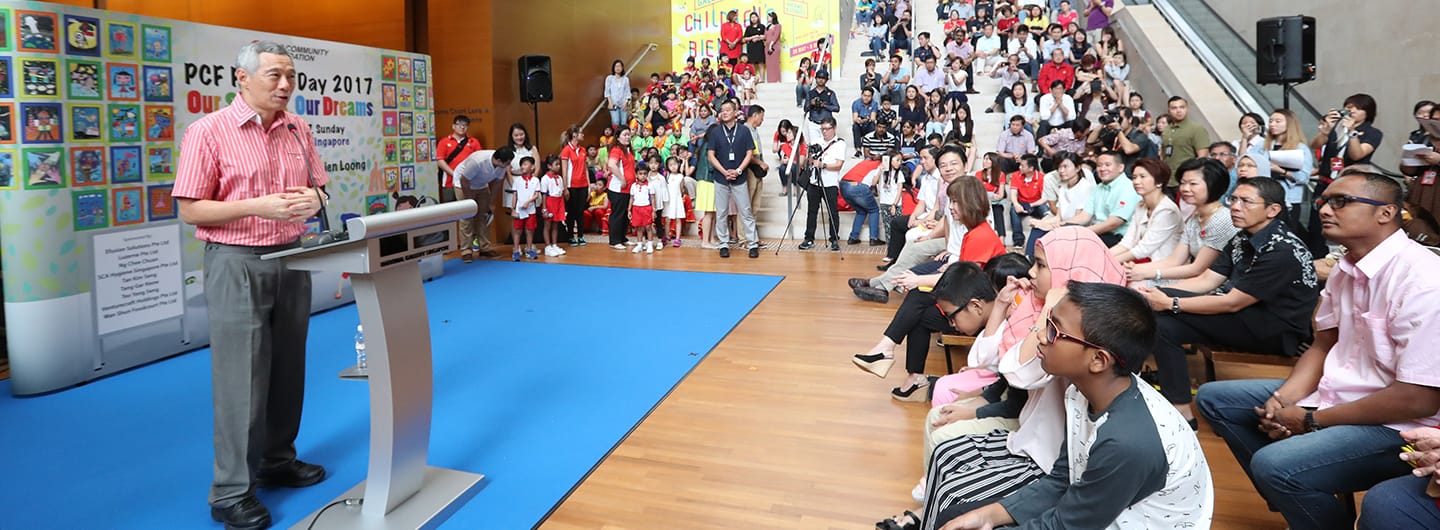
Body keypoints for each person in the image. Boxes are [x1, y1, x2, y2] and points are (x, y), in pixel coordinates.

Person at [1199, 168, 1440, 530]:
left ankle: (1299, 489)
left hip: (1400, 424)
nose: (1325, 209)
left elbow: (1419, 398)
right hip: (1337, 393)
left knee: (1274, 465)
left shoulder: (1422, 278)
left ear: (1386, 213)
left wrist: (1311, 421)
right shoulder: (1345, 267)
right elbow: (1324, 343)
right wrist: (1282, 401)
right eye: (1325, 201)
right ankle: (1304, 498)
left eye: (1341, 202)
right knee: (1215, 399)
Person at [173, 40, 329, 530]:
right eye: (274, 76)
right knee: (242, 376)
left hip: (292, 257)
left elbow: (321, 189)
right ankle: (230, 491)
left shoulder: (298, 128)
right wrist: (255, 206)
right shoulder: (208, 132)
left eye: (290, 77)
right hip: (237, 261)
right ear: (242, 78)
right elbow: (191, 209)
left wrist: (313, 198)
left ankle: (277, 460)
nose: (285, 86)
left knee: (288, 367)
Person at [885, 227, 1128, 530]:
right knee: (946, 454)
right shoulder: (1040, 307)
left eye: (1041, 265)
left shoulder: (1080, 329)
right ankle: (929, 509)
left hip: (1050, 457)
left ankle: (931, 511)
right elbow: (988, 359)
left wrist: (1046, 314)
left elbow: (1017, 373)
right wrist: (1004, 305)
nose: (1031, 272)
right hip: (1033, 435)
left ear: (1068, 271)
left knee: (952, 490)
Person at [940, 281, 1214, 530]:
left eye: (1055, 330)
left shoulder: (1127, 441)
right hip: (1101, 512)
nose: (1042, 337)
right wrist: (989, 515)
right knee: (957, 515)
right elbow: (1063, 479)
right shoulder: (1080, 393)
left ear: (1098, 360)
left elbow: (1069, 525)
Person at [1140, 177, 1319, 424]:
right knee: (1148, 307)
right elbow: (1207, 282)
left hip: (1275, 330)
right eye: (1233, 199)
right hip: (1248, 313)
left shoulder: (1281, 250)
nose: (1235, 206)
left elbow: (1232, 302)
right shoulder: (1242, 237)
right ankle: (1173, 403)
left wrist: (1171, 303)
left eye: (1246, 201)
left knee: (1164, 324)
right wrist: (1157, 294)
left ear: (1273, 210)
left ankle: (1180, 410)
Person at [851, 177, 1007, 393]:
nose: (950, 207)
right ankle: (909, 373)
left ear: (970, 202)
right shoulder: (975, 232)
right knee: (919, 311)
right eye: (950, 201)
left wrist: (921, 280)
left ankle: (889, 351)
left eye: (955, 202)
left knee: (918, 296)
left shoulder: (980, 235)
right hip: (972, 304)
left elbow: (964, 284)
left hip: (976, 312)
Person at [1127, 157, 1239, 288]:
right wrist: (1136, 269)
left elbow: (1197, 268)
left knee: (1138, 287)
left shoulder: (1222, 220)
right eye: (1183, 183)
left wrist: (1149, 273)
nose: (1185, 189)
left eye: (1193, 184)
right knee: (1135, 282)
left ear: (1213, 184)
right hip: (1193, 277)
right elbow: (1174, 260)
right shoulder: (1194, 218)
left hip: (1213, 285)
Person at [707, 99, 761, 259]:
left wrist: (738, 170)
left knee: (746, 211)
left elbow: (749, 153)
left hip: (740, 178)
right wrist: (724, 171)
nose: (724, 112)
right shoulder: (716, 132)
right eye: (722, 110)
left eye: (727, 110)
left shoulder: (744, 131)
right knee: (722, 212)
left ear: (735, 112)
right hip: (721, 177)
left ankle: (752, 243)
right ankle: (723, 244)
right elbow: (711, 155)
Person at [1054, 151, 1138, 246]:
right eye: (1099, 165)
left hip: (1119, 238)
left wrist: (1082, 233)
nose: (1102, 169)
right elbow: (1085, 216)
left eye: (1107, 165)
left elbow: (1113, 223)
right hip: (1099, 233)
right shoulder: (1098, 188)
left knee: (1070, 244)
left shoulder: (1128, 188)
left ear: (1120, 167)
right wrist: (1062, 224)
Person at [1111, 157, 1181, 263]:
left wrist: (1109, 262)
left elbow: (1143, 249)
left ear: (1159, 182)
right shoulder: (1141, 205)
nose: (1136, 182)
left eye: (1142, 177)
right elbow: (1127, 242)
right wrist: (1104, 256)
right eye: (1134, 177)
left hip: (1162, 268)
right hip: (1142, 262)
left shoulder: (1167, 210)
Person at [453, 146, 515, 262]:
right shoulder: (477, 162)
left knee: (484, 215)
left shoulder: (502, 166)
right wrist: (468, 200)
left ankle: (485, 247)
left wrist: (491, 203)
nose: (508, 165)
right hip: (463, 184)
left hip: (481, 185)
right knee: (467, 217)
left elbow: (497, 184)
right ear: (498, 160)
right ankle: (466, 250)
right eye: (507, 163)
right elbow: (464, 180)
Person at [801, 116, 845, 252]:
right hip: (814, 182)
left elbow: (838, 165)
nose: (825, 132)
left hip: (830, 183)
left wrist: (823, 165)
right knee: (812, 211)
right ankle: (809, 238)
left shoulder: (839, 143)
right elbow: (808, 162)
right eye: (822, 129)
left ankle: (834, 240)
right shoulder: (816, 141)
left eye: (827, 129)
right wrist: (810, 156)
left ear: (834, 128)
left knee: (833, 212)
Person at [1160, 96, 1212, 177]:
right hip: (1168, 177)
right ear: (1169, 111)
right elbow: (1163, 155)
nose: (1178, 111)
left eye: (1182, 107)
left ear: (1187, 109)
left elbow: (1202, 158)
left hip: (1186, 177)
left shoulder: (1197, 129)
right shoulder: (1166, 130)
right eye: (1174, 108)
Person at [436, 115, 480, 203]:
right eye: (459, 124)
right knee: (449, 210)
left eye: (465, 125)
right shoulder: (444, 142)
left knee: (467, 209)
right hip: (449, 182)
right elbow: (440, 161)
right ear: (453, 126)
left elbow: (478, 160)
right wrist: (455, 174)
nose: (462, 127)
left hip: (468, 182)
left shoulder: (473, 142)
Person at [606, 126, 637, 249]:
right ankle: (614, 241)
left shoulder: (629, 149)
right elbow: (612, 165)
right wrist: (622, 178)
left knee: (625, 214)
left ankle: (622, 238)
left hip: (629, 188)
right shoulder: (616, 149)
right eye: (625, 135)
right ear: (618, 137)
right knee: (617, 214)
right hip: (618, 188)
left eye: (629, 134)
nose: (627, 137)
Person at [559, 125, 590, 246]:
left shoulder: (583, 150)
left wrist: (588, 186)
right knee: (571, 212)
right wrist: (565, 187)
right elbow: (564, 170)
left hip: (583, 185)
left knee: (580, 212)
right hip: (571, 186)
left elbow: (586, 169)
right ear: (574, 135)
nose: (583, 135)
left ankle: (581, 236)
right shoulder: (566, 150)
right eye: (581, 133)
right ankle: (571, 236)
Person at [742, 104, 769, 237]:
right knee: (746, 206)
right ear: (755, 115)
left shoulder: (754, 130)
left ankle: (752, 236)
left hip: (757, 170)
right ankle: (743, 238)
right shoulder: (744, 130)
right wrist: (760, 163)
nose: (762, 121)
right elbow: (746, 154)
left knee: (755, 206)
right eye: (761, 117)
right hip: (749, 170)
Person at [510, 156, 541, 260]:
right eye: (522, 165)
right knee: (518, 230)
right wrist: (513, 208)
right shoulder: (517, 180)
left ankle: (529, 249)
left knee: (530, 230)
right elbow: (515, 195)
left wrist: (528, 202)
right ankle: (515, 250)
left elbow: (536, 195)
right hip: (519, 210)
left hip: (531, 210)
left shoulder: (536, 180)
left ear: (532, 167)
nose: (522, 167)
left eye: (525, 164)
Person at [538, 156, 568, 257]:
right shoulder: (545, 179)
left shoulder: (559, 178)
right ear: (549, 166)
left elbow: (561, 192)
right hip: (550, 202)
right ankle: (548, 246)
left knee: (556, 224)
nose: (559, 166)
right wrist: (545, 208)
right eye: (556, 164)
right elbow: (544, 194)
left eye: (559, 164)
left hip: (559, 201)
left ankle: (554, 244)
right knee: (548, 225)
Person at [804, 70, 840, 149]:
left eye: (823, 78)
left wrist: (824, 105)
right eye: (819, 77)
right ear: (816, 78)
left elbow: (837, 108)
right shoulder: (810, 93)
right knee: (815, 147)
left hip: (827, 125)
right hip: (813, 123)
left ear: (826, 80)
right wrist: (811, 103)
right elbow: (805, 109)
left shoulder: (830, 93)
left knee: (829, 147)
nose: (821, 80)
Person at [629, 164, 658, 254]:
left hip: (646, 208)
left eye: (645, 173)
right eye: (640, 174)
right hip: (636, 208)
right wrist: (629, 209)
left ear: (647, 174)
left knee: (648, 227)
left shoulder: (650, 185)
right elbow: (631, 198)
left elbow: (653, 198)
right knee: (639, 228)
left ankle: (649, 244)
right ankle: (639, 244)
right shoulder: (633, 186)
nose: (642, 176)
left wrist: (653, 210)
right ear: (636, 175)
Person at [852, 87, 881, 154]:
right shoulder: (856, 103)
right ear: (861, 95)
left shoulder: (874, 104)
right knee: (855, 126)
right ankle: (858, 149)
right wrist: (858, 120)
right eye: (865, 95)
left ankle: (871, 147)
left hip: (868, 123)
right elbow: (855, 118)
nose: (866, 98)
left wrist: (866, 119)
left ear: (872, 96)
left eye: (869, 96)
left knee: (872, 125)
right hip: (860, 124)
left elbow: (873, 118)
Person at [604, 60, 631, 129]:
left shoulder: (625, 79)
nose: (618, 68)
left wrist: (626, 103)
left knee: (623, 122)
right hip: (613, 104)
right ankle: (616, 137)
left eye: (619, 66)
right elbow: (607, 91)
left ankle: (623, 138)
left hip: (623, 104)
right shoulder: (609, 78)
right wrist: (610, 102)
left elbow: (628, 92)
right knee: (615, 121)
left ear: (622, 68)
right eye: (616, 66)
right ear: (613, 68)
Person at [743, 12, 766, 77]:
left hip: (760, 47)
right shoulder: (748, 28)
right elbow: (745, 38)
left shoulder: (762, 26)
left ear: (757, 18)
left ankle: (762, 79)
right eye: (752, 17)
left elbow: (766, 36)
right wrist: (752, 37)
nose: (753, 19)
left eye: (754, 17)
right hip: (751, 48)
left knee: (760, 63)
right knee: (752, 64)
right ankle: (753, 78)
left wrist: (759, 37)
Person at [764, 12, 783, 83]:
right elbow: (765, 37)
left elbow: (776, 36)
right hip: (767, 47)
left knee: (775, 63)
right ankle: (770, 80)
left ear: (773, 17)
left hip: (774, 47)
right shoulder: (767, 27)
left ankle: (777, 80)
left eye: (769, 17)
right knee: (769, 64)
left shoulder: (778, 26)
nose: (768, 18)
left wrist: (771, 44)